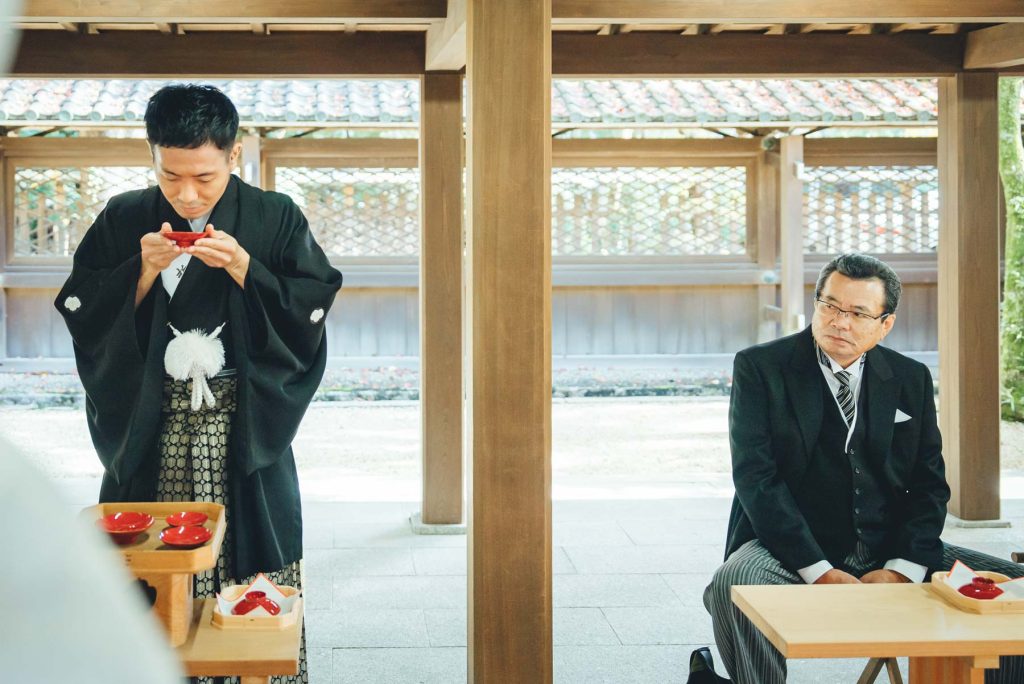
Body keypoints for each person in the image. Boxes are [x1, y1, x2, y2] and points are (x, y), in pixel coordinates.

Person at [55, 84, 342, 684]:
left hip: (243, 426)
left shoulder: (274, 216)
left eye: (205, 178)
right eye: (171, 176)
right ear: (152, 156)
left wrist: (244, 267)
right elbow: (84, 309)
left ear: (234, 156)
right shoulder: (124, 216)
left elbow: (309, 306)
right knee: (143, 549)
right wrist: (140, 272)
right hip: (150, 422)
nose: (186, 195)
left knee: (251, 547)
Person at [701, 253, 1024, 684]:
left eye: (857, 313)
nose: (839, 322)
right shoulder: (761, 368)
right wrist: (817, 570)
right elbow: (756, 479)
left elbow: (929, 485)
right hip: (790, 548)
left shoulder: (909, 377)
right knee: (732, 585)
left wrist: (902, 568)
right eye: (829, 306)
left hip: (888, 543)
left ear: (885, 323)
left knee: (1014, 588)